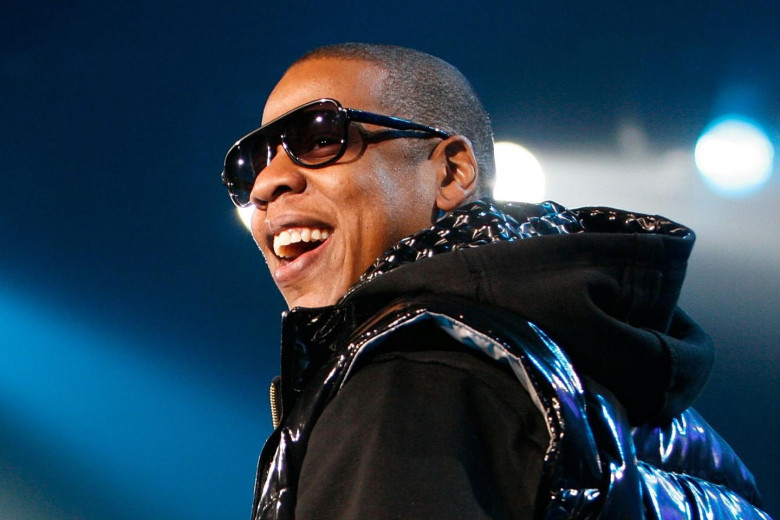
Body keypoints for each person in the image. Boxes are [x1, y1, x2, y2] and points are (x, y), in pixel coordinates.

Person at [221, 43, 771, 520]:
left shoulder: (413, 376)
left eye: (319, 137)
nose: (266, 184)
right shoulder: (625, 400)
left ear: (451, 172)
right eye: (250, 167)